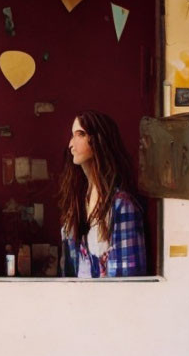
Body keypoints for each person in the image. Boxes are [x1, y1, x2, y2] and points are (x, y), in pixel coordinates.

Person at [58, 110, 147, 277]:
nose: (71, 144)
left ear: (98, 139)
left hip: (107, 301)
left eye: (80, 134)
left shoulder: (121, 205)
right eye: (72, 135)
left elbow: (126, 280)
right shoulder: (77, 200)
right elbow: (69, 270)